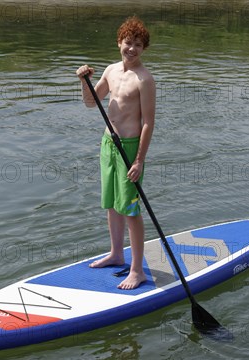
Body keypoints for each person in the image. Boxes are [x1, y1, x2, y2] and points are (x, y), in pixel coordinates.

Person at [76, 16, 156, 290]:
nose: (131, 49)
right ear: (119, 43)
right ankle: (116, 253)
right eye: (127, 42)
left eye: (137, 44)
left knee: (131, 209)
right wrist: (83, 80)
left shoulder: (144, 79)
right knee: (111, 204)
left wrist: (139, 160)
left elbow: (148, 123)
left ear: (143, 48)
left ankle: (137, 270)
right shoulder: (111, 70)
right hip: (108, 145)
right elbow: (90, 102)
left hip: (130, 148)